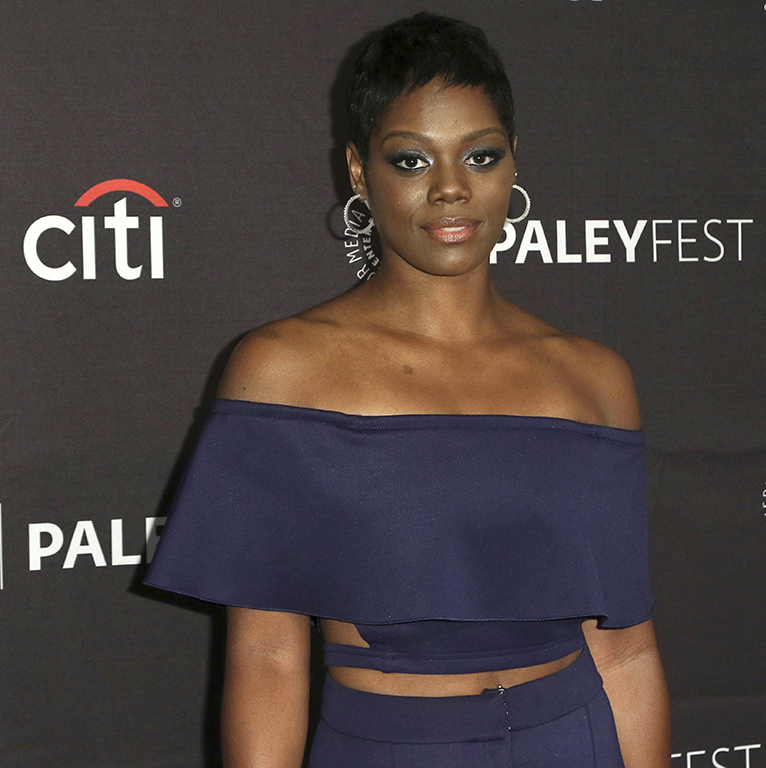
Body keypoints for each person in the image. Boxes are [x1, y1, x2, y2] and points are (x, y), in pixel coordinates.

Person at [145, 12, 669, 768]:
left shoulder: (593, 379)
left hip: (574, 738)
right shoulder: (283, 370)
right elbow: (267, 657)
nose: (452, 189)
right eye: (413, 161)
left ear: (515, 162)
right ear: (359, 171)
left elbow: (624, 654)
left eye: (480, 156)